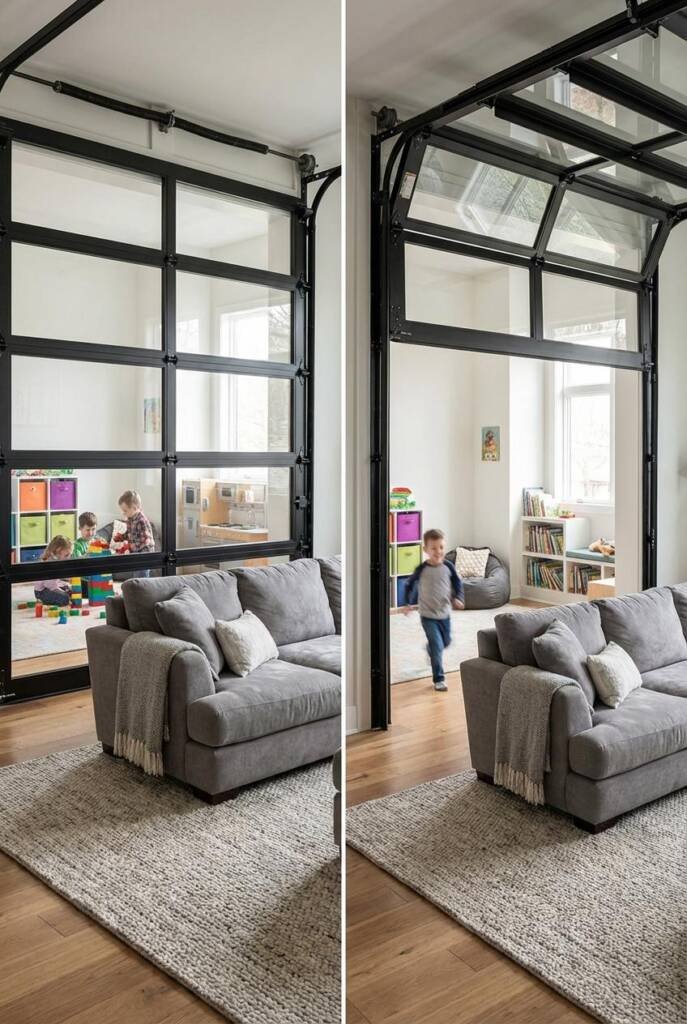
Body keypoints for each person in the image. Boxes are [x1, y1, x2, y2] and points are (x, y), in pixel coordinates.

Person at [405, 528, 464, 692]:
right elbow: (409, 584)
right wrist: (408, 603)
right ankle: (439, 679)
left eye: (441, 547)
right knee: (437, 645)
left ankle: (430, 649)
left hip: (444, 614)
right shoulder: (422, 569)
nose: (438, 551)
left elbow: (458, 583)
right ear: (426, 550)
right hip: (427, 615)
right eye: (434, 548)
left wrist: (458, 598)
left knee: (446, 642)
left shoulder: (448, 567)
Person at [118, 490, 154, 578]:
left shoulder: (141, 521)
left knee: (141, 576)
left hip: (145, 555)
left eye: (125, 511)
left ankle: (143, 586)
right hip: (136, 553)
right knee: (136, 574)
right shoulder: (130, 518)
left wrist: (130, 546)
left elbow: (145, 541)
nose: (123, 513)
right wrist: (122, 537)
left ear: (134, 508)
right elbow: (130, 532)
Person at [34, 535, 74, 607]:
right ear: (55, 554)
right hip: (42, 591)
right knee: (65, 598)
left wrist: (67, 585)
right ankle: (42, 600)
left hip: (54, 585)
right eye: (66, 555)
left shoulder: (58, 560)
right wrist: (63, 592)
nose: (69, 558)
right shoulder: (49, 564)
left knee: (73, 591)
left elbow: (60, 579)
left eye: (70, 555)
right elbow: (50, 585)